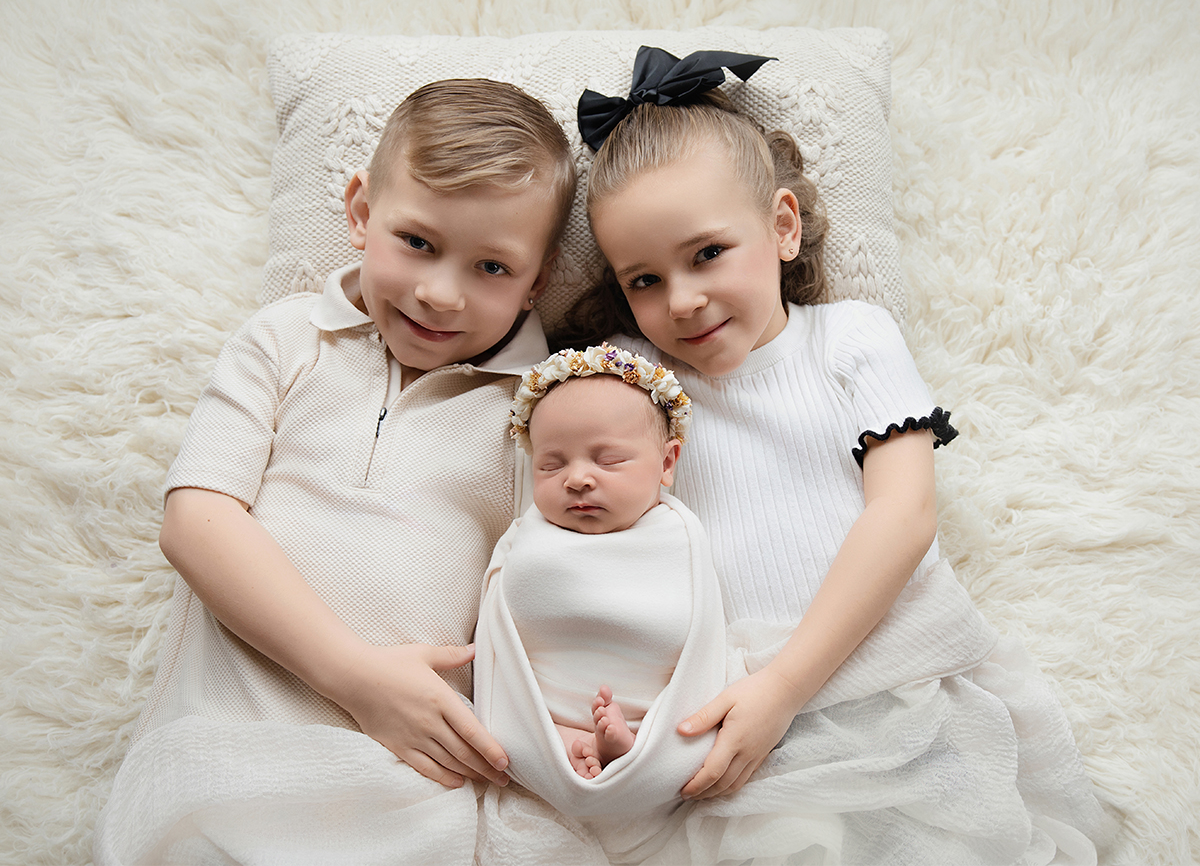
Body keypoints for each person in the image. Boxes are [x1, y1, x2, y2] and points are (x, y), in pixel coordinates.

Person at [557, 46, 1115, 864]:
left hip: (880, 674)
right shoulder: (628, 373)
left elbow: (904, 513)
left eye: (709, 253)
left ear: (782, 227)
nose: (681, 300)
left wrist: (786, 687)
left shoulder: (848, 339)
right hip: (721, 699)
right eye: (643, 280)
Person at [93, 78, 577, 864]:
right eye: (417, 242)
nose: (438, 293)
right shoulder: (286, 340)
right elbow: (196, 521)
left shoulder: (542, 407)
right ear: (360, 210)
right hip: (219, 762)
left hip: (406, 787)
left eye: (491, 267)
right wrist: (356, 679)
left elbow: (548, 597)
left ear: (540, 279)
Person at [474, 345, 728, 834]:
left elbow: (701, 630)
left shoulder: (676, 534)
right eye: (551, 465)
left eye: (608, 460)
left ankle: (637, 745)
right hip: (543, 705)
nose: (577, 479)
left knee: (665, 714)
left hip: (647, 699)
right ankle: (565, 739)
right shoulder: (529, 533)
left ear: (667, 463)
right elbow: (498, 614)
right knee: (539, 721)